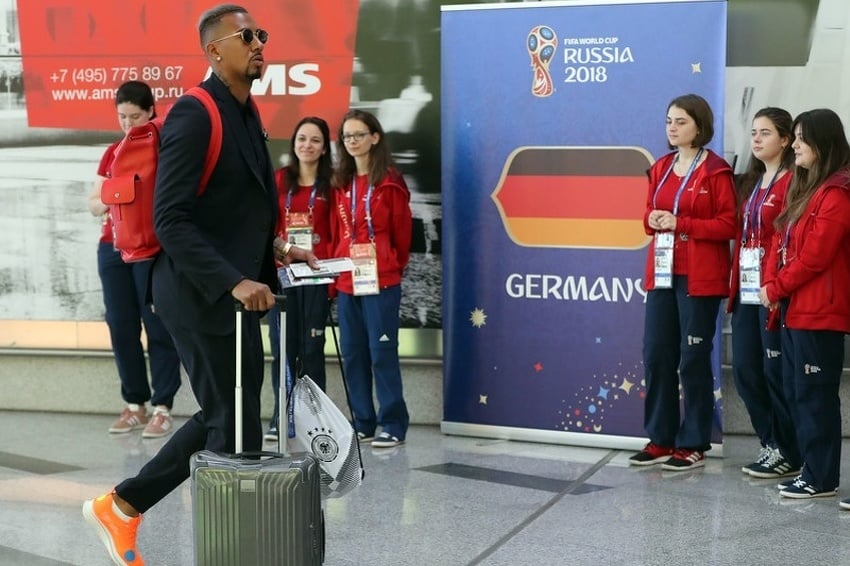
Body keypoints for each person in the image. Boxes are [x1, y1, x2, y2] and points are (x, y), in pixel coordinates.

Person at [82, 6, 316, 564]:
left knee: (232, 421)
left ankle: (123, 507)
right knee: (234, 430)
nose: (260, 43)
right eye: (248, 36)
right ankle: (220, 545)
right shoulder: (195, 112)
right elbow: (171, 219)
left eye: (261, 34)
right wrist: (234, 280)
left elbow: (235, 210)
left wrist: (279, 249)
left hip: (233, 300)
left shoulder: (246, 112)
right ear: (215, 51)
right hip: (197, 296)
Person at [628, 93, 736, 471]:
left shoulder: (716, 171)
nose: (672, 128)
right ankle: (660, 439)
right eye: (669, 121)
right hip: (661, 274)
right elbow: (647, 214)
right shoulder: (660, 167)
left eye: (680, 122)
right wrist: (653, 220)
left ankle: (693, 444)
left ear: (699, 126)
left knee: (692, 359)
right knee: (656, 355)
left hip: (699, 277)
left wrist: (681, 223)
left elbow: (729, 224)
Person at [759, 108, 850, 500]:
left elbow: (815, 256)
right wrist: (771, 284)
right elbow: (781, 242)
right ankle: (814, 474)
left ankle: (821, 478)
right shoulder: (809, 187)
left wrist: (775, 288)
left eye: (800, 138)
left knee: (815, 396)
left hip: (820, 313)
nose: (793, 145)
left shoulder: (837, 192)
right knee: (800, 393)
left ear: (823, 141)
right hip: (796, 311)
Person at [87, 80, 181, 439]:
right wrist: (117, 196)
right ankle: (134, 404)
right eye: (122, 117)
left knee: (157, 324)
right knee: (121, 325)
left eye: (135, 116)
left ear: (151, 112)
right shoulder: (113, 152)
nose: (128, 124)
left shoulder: (163, 147)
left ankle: (163, 406)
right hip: (112, 247)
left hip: (150, 249)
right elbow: (94, 202)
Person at [329, 109, 412, 449]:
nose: (352, 142)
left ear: (375, 137)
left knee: (382, 352)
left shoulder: (389, 181)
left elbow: (402, 235)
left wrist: (389, 265)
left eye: (359, 135)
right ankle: (362, 421)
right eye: (347, 136)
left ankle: (393, 422)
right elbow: (337, 231)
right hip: (348, 281)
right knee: (353, 353)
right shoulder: (340, 183)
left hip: (382, 281)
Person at [728, 107, 801, 479]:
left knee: (775, 372)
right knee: (745, 370)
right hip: (744, 289)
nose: (756, 139)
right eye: (753, 132)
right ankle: (770, 444)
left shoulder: (793, 183)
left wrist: (776, 283)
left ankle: (789, 450)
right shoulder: (753, 183)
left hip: (772, 290)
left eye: (766, 133)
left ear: (786, 140)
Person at [265, 116, 334, 442]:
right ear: (294, 144)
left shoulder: (331, 186)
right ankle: (283, 415)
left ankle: (316, 418)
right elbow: (267, 227)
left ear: (324, 148)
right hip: (283, 277)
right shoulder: (279, 180)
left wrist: (333, 277)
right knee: (283, 351)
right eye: (302, 138)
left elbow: (336, 233)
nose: (307, 145)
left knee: (312, 348)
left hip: (318, 280)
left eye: (315, 140)